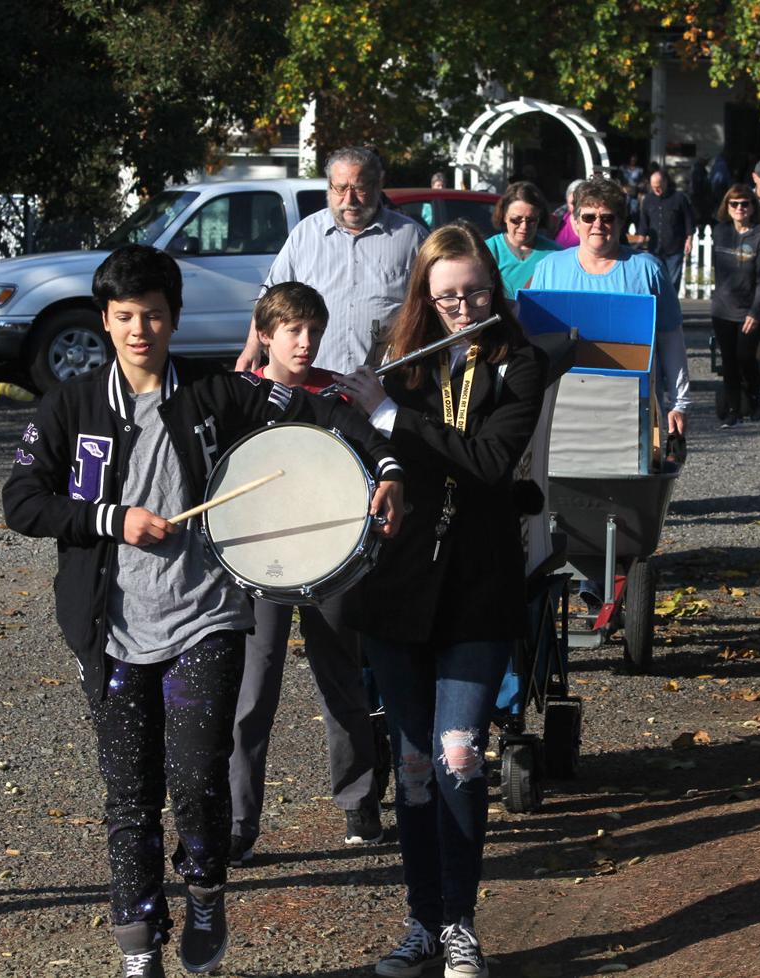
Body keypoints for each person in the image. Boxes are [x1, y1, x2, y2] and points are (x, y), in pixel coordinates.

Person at [2, 244, 403, 978]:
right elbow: (21, 501)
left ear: (174, 319)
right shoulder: (72, 406)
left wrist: (385, 466)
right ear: (105, 319)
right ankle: (138, 950)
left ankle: (208, 891)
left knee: (195, 779)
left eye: (153, 316)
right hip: (112, 631)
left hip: (206, 618)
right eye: (124, 317)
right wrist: (111, 519)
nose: (138, 330)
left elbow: (322, 408)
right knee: (129, 795)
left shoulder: (217, 395)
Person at [330, 221, 548, 978]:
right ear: (424, 294)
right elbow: (373, 459)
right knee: (415, 761)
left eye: (475, 292)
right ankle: (423, 922)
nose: (462, 306)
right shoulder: (401, 364)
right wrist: (372, 435)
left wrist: (394, 420)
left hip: (478, 587)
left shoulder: (522, 365)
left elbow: (490, 464)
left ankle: (460, 925)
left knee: (460, 755)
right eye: (447, 294)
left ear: (494, 286)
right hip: (399, 587)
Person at [228, 282, 386, 867]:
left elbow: (371, 452)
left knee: (340, 678)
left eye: (313, 331)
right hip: (259, 560)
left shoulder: (334, 394)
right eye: (293, 331)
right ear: (264, 336)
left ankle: (359, 798)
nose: (305, 342)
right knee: (254, 688)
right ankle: (240, 819)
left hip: (329, 558)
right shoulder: (240, 395)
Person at [235, 145, 427, 376]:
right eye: (340, 188)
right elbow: (270, 296)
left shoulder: (410, 237)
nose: (350, 199)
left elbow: (429, 305)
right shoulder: (305, 234)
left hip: (384, 382)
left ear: (378, 185)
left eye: (360, 188)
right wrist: (252, 347)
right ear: (329, 186)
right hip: (316, 382)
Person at [530, 176, 690, 438]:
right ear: (574, 220)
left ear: (621, 221)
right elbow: (533, 342)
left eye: (607, 217)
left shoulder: (648, 269)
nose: (597, 225)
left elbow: (671, 340)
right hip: (563, 408)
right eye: (589, 217)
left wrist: (679, 403)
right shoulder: (549, 269)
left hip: (632, 408)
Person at [711, 183, 760, 427]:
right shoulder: (720, 232)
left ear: (752, 207)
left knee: (745, 357)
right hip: (723, 308)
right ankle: (734, 412)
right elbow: (719, 272)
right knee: (728, 361)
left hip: (751, 310)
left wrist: (755, 312)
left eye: (744, 204)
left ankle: (754, 394)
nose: (739, 208)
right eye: (734, 204)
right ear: (727, 207)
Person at [485, 181, 561, 300]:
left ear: (540, 218)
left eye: (531, 220)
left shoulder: (555, 254)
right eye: (516, 219)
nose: (524, 227)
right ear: (504, 216)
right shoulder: (487, 250)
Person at [638, 168, 697, 291]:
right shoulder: (648, 200)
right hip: (655, 248)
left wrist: (689, 239)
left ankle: (672, 307)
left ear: (665, 182)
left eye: (658, 186)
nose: (656, 190)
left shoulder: (679, 198)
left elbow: (688, 220)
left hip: (675, 247)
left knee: (672, 282)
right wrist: (640, 242)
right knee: (656, 281)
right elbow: (644, 223)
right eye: (653, 187)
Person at [550, 179, 583, 248]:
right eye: (572, 203)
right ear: (567, 202)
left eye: (581, 202)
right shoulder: (558, 219)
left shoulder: (596, 222)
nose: (577, 207)